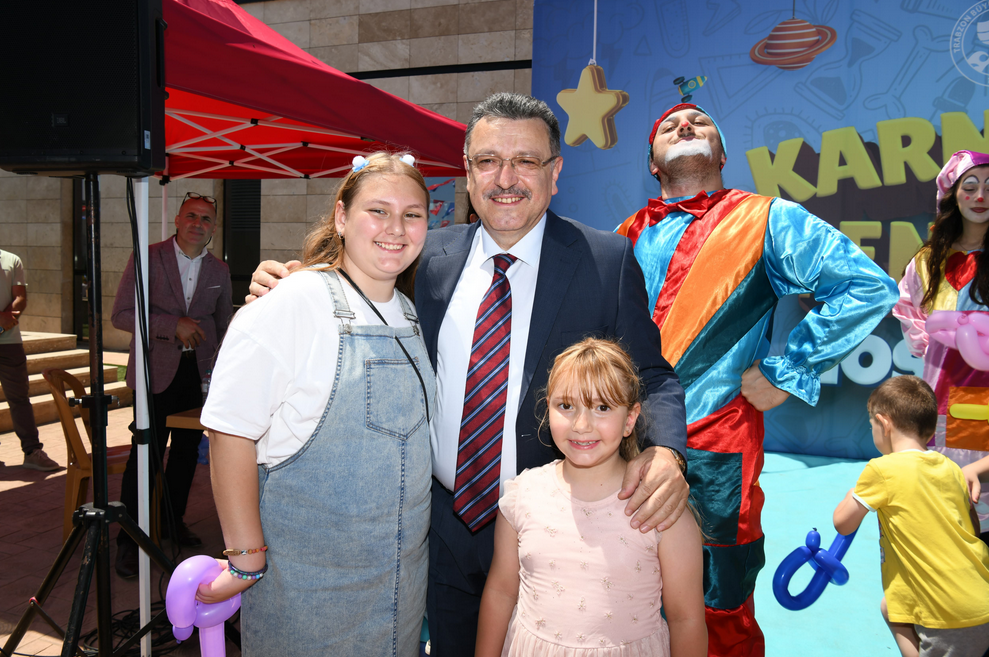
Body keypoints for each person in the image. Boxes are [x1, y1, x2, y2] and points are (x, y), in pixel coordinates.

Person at [249, 92, 690, 655]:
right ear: (467, 171)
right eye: (487, 161)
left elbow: (651, 374)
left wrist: (667, 452)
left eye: (525, 161)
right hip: (440, 529)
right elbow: (352, 286)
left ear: (555, 172)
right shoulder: (421, 256)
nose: (505, 178)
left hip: (558, 532)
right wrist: (292, 282)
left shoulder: (607, 260)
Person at [616, 102, 899, 655]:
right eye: (669, 125)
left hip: (716, 448)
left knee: (720, 605)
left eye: (700, 121)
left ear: (722, 154)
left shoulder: (769, 218)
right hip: (625, 447)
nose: (685, 125)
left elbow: (866, 286)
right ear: (652, 162)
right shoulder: (624, 234)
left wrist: (789, 369)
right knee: (624, 597)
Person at [195, 153, 433, 656]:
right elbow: (228, 430)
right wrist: (246, 559)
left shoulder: (410, 313)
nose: (396, 228)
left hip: (400, 594)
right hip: (308, 597)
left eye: (412, 214)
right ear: (342, 217)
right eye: (378, 210)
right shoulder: (293, 299)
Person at [477, 337, 706, 657]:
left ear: (630, 419)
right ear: (548, 408)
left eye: (602, 408)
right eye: (566, 406)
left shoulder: (659, 509)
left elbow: (686, 619)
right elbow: (501, 593)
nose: (582, 425)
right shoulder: (521, 497)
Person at [111, 192, 232, 578]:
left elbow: (223, 325)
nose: (198, 224)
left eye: (206, 219)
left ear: (214, 228)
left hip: (198, 376)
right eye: (191, 216)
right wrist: (171, 325)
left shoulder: (219, 270)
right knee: (145, 453)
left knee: (185, 453)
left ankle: (170, 521)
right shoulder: (148, 257)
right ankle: (129, 539)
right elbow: (122, 314)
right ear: (178, 220)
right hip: (155, 373)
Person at [832, 375, 989, 657]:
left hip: (945, 615)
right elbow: (973, 529)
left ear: (884, 423)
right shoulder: (952, 468)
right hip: (979, 596)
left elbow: (842, 524)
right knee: (891, 606)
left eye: (871, 425)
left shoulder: (882, 470)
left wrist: (852, 494)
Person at [893, 150, 989, 542]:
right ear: (954, 195)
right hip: (942, 387)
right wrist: (934, 340)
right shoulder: (929, 259)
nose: (980, 196)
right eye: (971, 186)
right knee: (945, 498)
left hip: (983, 395)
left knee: (979, 504)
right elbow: (907, 307)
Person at [0, 248, 59, 471]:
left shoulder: (11, 260)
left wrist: (3, 322)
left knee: (19, 399)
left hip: (10, 343)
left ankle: (32, 451)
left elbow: (20, 298)